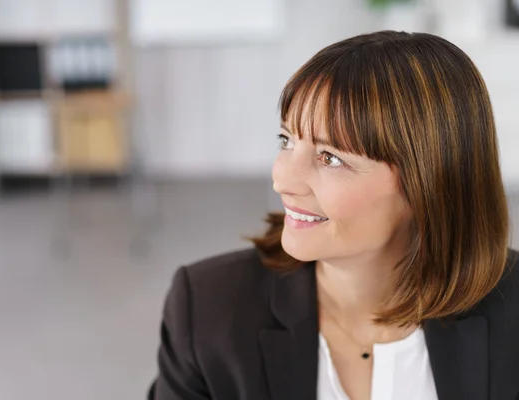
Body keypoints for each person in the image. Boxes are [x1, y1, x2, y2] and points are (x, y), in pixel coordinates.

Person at [147, 31, 519, 400]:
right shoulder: (208, 309)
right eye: (287, 140)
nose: (282, 179)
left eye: (330, 158)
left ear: (430, 181)